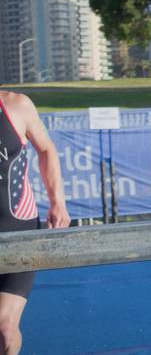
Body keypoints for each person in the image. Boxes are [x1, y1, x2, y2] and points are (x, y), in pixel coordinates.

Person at [0, 91, 70, 355]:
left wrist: (57, 203)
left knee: (5, 329)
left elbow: (46, 148)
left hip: (19, 231)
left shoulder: (15, 104)